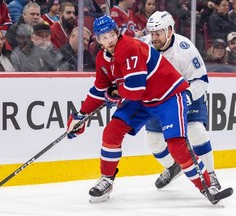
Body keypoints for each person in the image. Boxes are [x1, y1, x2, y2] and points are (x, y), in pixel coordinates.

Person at [66, 15, 223, 205]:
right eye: (103, 37)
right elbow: (99, 89)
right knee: (112, 132)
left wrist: (114, 92)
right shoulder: (103, 58)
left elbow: (133, 90)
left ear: (116, 33)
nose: (109, 41)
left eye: (111, 35)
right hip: (143, 100)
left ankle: (207, 184)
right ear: (98, 40)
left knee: (177, 144)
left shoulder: (131, 48)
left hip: (169, 97)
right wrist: (81, 115)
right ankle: (106, 179)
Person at [138, 11, 221, 190]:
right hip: (160, 98)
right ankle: (173, 166)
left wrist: (187, 97)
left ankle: (211, 175)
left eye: (158, 33)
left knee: (196, 131)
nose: (154, 38)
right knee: (154, 140)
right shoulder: (143, 45)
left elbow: (201, 81)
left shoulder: (185, 49)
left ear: (169, 31)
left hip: (187, 94)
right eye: (151, 33)